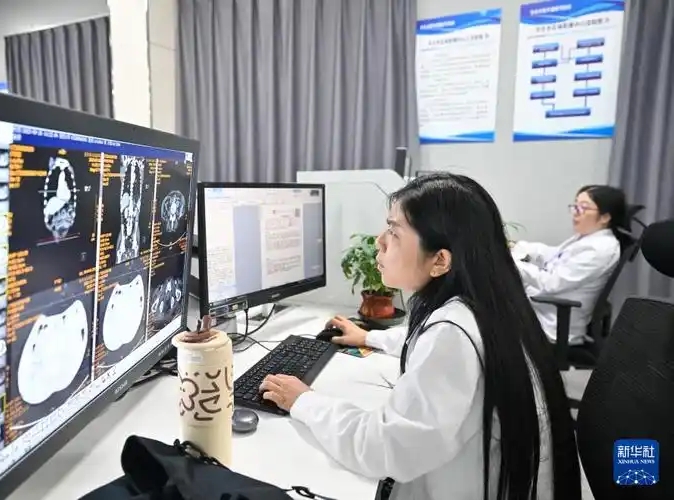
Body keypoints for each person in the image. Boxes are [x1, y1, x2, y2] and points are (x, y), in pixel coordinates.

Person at [260, 173, 581, 500]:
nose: (379, 241)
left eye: (394, 232)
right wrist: (369, 338)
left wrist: (305, 401)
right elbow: (427, 343)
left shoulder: (453, 334)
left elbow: (384, 448)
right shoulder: (486, 307)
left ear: (440, 260)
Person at [511, 185, 631, 345]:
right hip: (542, 309)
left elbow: (551, 283)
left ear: (604, 217)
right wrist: (517, 246)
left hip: (552, 323)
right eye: (575, 206)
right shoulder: (588, 239)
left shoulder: (598, 249)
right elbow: (553, 255)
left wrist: (511, 263)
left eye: (583, 208)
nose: (575, 212)